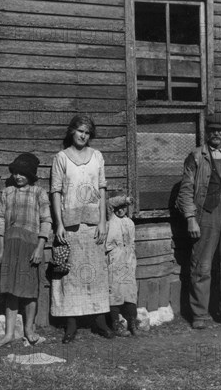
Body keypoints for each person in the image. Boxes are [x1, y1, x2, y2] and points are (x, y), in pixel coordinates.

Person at [176, 114, 221, 329]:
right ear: (206, 132)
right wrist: (191, 219)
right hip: (205, 214)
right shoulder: (196, 156)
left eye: (220, 130)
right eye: (212, 130)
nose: (216, 134)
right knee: (202, 265)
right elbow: (186, 190)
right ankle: (200, 315)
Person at [50, 115, 113, 343]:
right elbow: (56, 191)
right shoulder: (61, 158)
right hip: (69, 224)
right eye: (79, 131)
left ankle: (99, 320)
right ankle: (71, 323)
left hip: (94, 222)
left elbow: (102, 188)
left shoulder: (97, 156)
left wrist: (104, 221)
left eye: (87, 132)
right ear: (71, 132)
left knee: (96, 272)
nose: (83, 135)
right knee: (71, 273)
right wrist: (58, 223)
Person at [0, 153, 52, 348]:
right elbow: (0, 219)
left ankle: (29, 330)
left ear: (31, 175)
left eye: (23, 173)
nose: (18, 176)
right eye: (16, 173)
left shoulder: (39, 193)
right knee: (11, 290)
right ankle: (9, 333)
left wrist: (40, 248)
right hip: (10, 244)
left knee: (29, 290)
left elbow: (46, 221)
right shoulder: (7, 192)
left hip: (31, 245)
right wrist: (0, 249)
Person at [106, 194, 138, 337]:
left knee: (130, 292)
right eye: (117, 208)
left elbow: (132, 243)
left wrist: (131, 259)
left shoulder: (130, 223)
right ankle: (116, 325)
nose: (120, 211)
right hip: (114, 259)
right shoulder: (110, 219)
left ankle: (132, 323)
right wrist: (124, 199)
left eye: (123, 207)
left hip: (128, 260)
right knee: (115, 292)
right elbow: (109, 203)